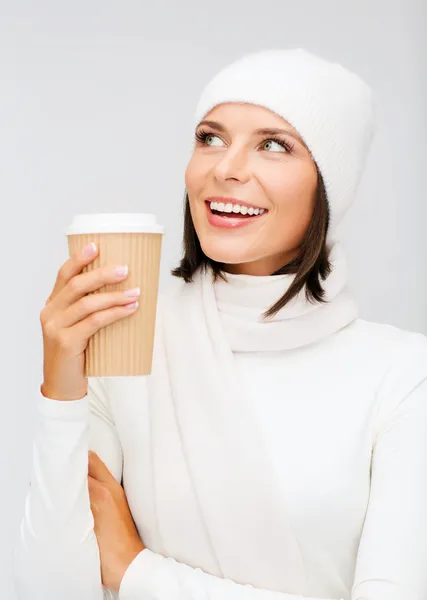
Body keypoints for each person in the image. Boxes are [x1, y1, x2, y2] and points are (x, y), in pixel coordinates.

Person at [13, 48, 427, 600]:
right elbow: (49, 591)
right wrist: (62, 391)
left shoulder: (402, 376)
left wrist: (138, 571)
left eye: (274, 144)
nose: (226, 167)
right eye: (210, 137)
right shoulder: (131, 348)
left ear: (327, 185)